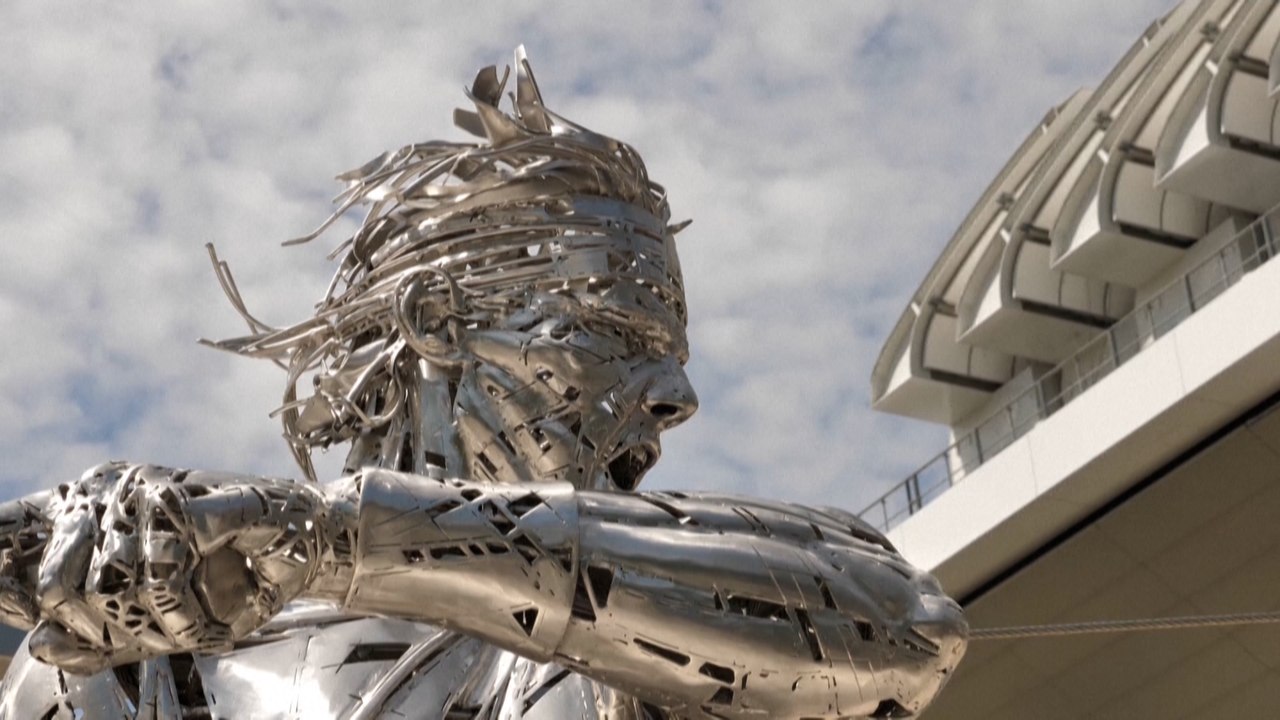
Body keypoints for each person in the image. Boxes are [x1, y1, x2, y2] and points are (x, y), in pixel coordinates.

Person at [0, 51, 966, 720]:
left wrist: (330, 538)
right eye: (615, 332)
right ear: (437, 326)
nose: (674, 394)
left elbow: (909, 630)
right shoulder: (124, 682)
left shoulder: (653, 641)